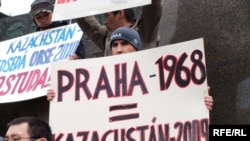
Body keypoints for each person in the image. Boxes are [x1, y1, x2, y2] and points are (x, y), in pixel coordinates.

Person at [47, 27, 214, 110]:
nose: (118, 49)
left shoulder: (157, 76)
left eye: (125, 44)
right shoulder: (94, 80)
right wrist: (60, 96)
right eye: (115, 45)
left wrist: (198, 105)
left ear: (136, 47)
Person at [76, 0, 162, 56]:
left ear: (120, 13)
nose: (118, 50)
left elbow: (154, 7)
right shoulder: (106, 37)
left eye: (107, 16)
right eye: (114, 45)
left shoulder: (146, 31)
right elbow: (86, 23)